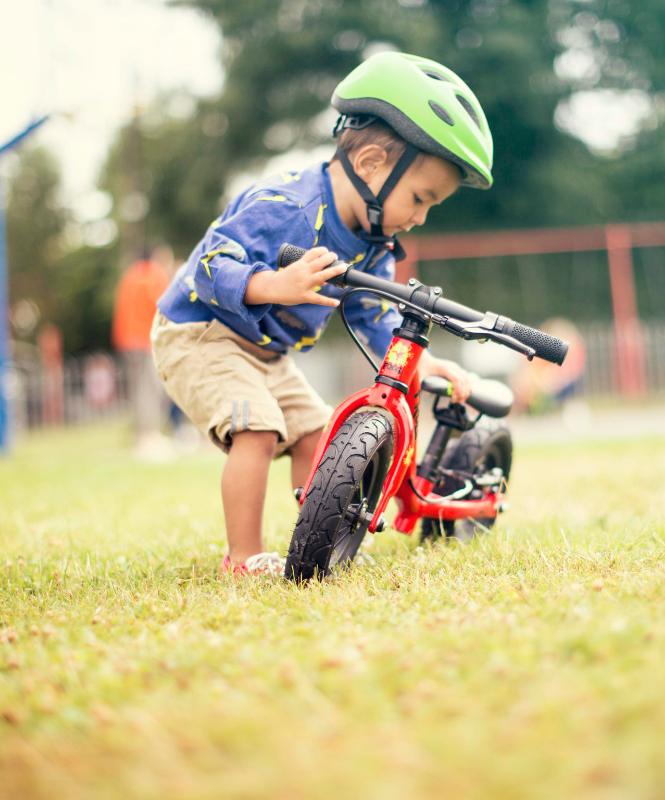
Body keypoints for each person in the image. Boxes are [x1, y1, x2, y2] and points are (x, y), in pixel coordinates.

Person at [151, 53, 493, 575]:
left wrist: (422, 367)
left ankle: (313, 541)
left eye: (430, 207)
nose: (420, 218)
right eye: (419, 198)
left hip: (264, 349)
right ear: (372, 163)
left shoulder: (374, 240)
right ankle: (241, 560)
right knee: (259, 430)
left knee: (317, 433)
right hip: (202, 331)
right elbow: (210, 265)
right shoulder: (285, 205)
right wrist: (274, 285)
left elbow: (373, 316)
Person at [112, 247, 171, 453]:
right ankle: (149, 435)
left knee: (136, 389)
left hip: (127, 340)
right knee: (150, 388)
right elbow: (163, 305)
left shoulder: (129, 276)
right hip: (146, 339)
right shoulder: (153, 274)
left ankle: (140, 436)